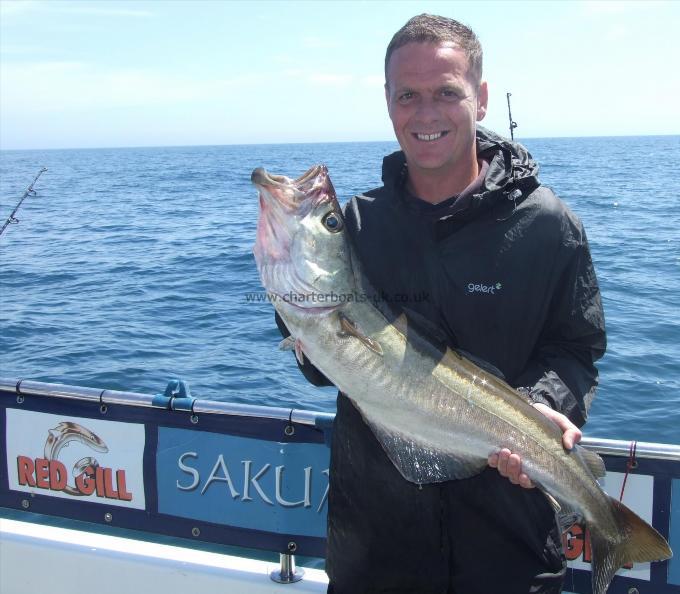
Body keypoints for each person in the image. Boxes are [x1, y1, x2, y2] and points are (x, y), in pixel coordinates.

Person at [277, 13, 606, 594]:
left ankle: (610, 527)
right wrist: (294, 306)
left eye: (446, 93)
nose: (425, 113)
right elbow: (318, 372)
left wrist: (540, 405)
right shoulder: (356, 225)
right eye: (408, 95)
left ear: (479, 98)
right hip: (374, 555)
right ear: (387, 103)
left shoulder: (549, 227)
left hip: (510, 554)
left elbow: (576, 350)